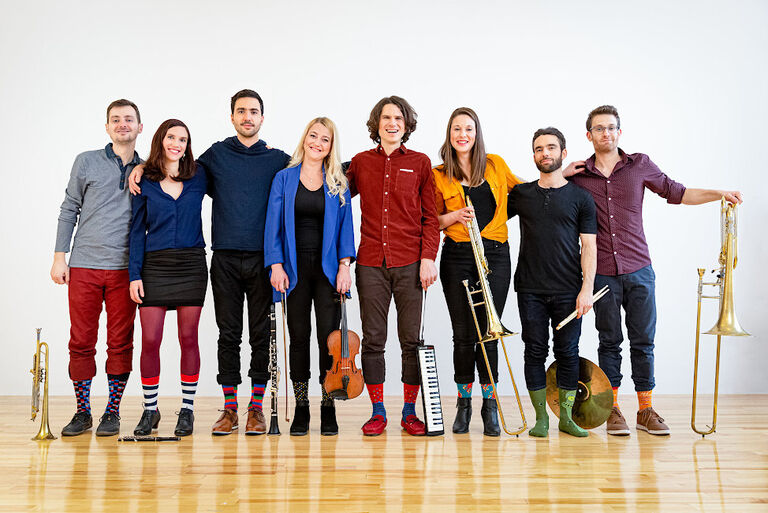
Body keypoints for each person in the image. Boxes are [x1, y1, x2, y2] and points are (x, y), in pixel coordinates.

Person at [564, 105, 743, 436]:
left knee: (643, 341)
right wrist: (561, 174)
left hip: (639, 269)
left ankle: (645, 410)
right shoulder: (577, 175)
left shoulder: (640, 165)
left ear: (620, 132)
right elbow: (546, 196)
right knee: (610, 341)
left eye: (611, 128)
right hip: (601, 272)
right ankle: (612, 408)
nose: (606, 133)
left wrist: (720, 193)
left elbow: (678, 193)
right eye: (599, 129)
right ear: (588, 136)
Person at [130, 90, 290, 435]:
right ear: (231, 117)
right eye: (241, 111)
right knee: (228, 335)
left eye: (254, 112)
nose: (247, 117)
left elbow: (311, 171)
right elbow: (175, 165)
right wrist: (143, 166)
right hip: (224, 259)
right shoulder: (215, 156)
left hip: (265, 260)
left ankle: (256, 408)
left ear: (263, 118)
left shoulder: (278, 160)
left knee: (262, 335)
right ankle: (230, 409)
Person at [347, 96, 440, 436]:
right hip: (370, 263)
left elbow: (431, 217)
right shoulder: (359, 162)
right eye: (386, 118)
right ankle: (377, 412)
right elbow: (336, 198)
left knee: (411, 341)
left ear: (406, 124)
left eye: (398, 118)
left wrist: (429, 257)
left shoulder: (420, 163)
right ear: (377, 124)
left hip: (411, 264)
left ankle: (410, 412)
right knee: (373, 339)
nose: (392, 123)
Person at [51, 99, 143, 437]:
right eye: (116, 120)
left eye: (129, 119)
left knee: (120, 342)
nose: (122, 125)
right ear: (107, 127)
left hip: (124, 270)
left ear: (139, 127)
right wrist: (60, 256)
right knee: (81, 340)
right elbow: (69, 208)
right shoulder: (86, 161)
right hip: (84, 266)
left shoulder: (147, 170)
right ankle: (82, 411)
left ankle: (113, 412)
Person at [432, 107, 524, 436]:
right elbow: (430, 222)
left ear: (477, 133)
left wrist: (562, 176)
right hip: (457, 255)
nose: (462, 134)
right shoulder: (438, 174)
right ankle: (463, 403)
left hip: (496, 255)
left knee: (489, 333)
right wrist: (454, 217)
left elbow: (525, 193)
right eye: (456, 128)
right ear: (450, 134)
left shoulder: (496, 164)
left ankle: (490, 406)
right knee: (463, 335)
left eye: (468, 128)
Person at [265, 117, 355, 436]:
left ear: (332, 147)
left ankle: (327, 407)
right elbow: (273, 226)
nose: (317, 142)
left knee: (328, 341)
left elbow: (346, 229)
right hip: (294, 269)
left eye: (325, 139)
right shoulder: (284, 179)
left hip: (328, 270)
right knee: (300, 338)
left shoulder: (338, 181)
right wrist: (276, 265)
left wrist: (345, 266)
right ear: (305, 139)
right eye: (313, 136)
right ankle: (302, 407)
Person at [508, 127, 597, 438]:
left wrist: (586, 290)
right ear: (533, 156)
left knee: (568, 352)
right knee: (534, 351)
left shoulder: (581, 198)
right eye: (538, 149)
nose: (544, 153)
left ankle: (566, 418)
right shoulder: (520, 194)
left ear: (563, 153)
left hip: (569, 291)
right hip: (529, 288)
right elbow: (490, 224)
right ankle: (540, 419)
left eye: (550, 147)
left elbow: (589, 246)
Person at [129, 119, 207, 437]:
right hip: (154, 266)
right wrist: (135, 274)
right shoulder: (144, 180)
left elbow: (237, 167)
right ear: (161, 140)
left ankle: (186, 410)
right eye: (172, 137)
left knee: (188, 338)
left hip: (191, 266)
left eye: (184, 140)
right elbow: (136, 230)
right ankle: (150, 410)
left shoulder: (200, 174)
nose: (177, 144)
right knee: (150, 340)